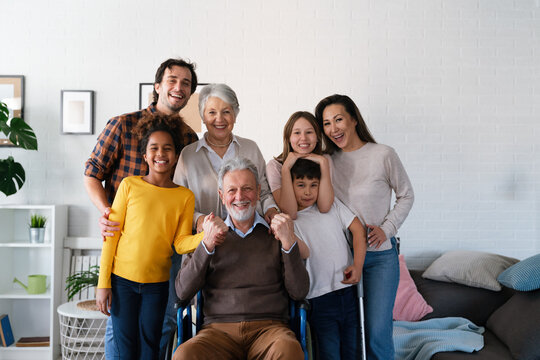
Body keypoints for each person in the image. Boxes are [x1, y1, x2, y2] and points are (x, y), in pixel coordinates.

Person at [84, 58, 199, 359]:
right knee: (120, 331)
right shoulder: (123, 124)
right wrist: (108, 213)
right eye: (172, 80)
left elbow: (186, 193)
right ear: (158, 86)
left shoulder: (189, 138)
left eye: (186, 83)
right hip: (125, 242)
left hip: (168, 248)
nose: (179, 87)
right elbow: (92, 174)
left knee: (164, 323)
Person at [173, 157, 310, 360]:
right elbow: (181, 292)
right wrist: (207, 245)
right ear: (221, 196)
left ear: (257, 191)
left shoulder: (276, 234)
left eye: (247, 188)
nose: (240, 196)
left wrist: (289, 243)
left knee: (289, 350)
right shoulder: (209, 236)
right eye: (232, 190)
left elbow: (299, 292)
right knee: (185, 354)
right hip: (217, 332)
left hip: (270, 331)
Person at [315, 94, 414, 360]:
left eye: (338, 120)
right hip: (340, 258)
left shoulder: (383, 154)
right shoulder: (326, 161)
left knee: (376, 333)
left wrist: (388, 228)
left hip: (379, 257)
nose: (333, 129)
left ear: (354, 120)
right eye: (326, 123)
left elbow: (406, 195)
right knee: (350, 337)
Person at [173, 83, 278, 233]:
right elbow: (178, 204)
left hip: (250, 240)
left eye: (226, 112)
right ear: (203, 116)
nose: (219, 119)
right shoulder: (188, 155)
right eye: (212, 112)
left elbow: (264, 193)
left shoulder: (251, 148)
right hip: (203, 242)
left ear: (235, 115)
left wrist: (271, 210)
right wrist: (199, 220)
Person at [290, 158, 366, 359]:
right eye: (301, 185)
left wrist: (357, 265)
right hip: (320, 298)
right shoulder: (291, 221)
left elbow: (358, 230)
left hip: (348, 292)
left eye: (313, 185)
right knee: (329, 353)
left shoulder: (333, 207)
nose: (308, 192)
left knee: (353, 351)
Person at [266, 111, 333, 219]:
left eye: (309, 132)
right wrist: (286, 169)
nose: (304, 138)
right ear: (288, 137)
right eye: (297, 133)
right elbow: (290, 213)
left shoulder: (324, 160)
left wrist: (324, 163)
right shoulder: (275, 166)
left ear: (317, 137)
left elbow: (324, 207)